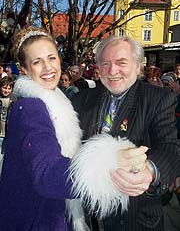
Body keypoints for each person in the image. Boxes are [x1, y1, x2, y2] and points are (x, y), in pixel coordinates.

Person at [0, 28, 149, 231]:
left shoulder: (56, 102)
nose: (47, 67)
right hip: (38, 218)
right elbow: (48, 175)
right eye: (37, 62)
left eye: (51, 58)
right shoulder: (30, 108)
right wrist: (109, 163)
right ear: (25, 69)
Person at [71, 35, 180, 231]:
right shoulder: (81, 100)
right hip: (88, 218)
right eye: (105, 63)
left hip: (134, 218)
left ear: (138, 67)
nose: (112, 71)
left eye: (121, 62)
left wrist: (150, 171)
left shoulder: (158, 98)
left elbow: (169, 147)